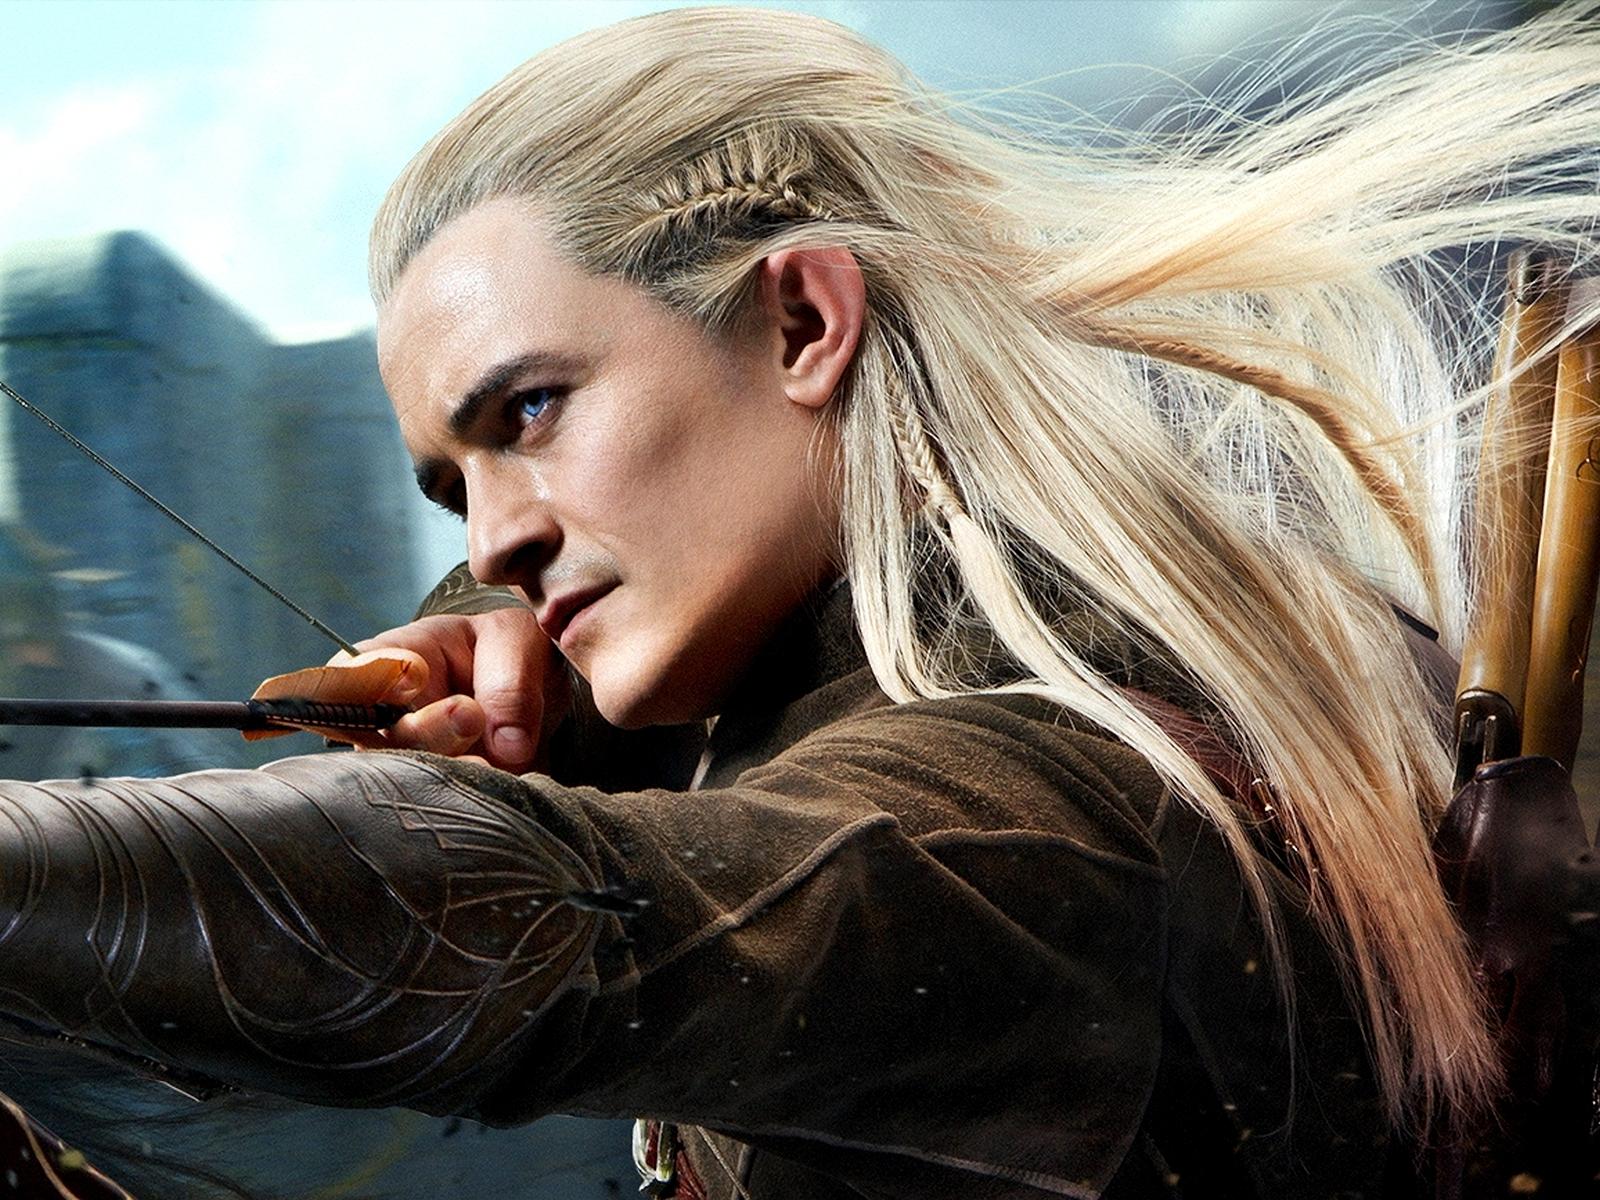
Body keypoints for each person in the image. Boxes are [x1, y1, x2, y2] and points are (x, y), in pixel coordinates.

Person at [0, 6, 1597, 1198]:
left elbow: (569, 928)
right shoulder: (965, 663)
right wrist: (534, 670)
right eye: (451, 490)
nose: (498, 537)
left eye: (530, 411)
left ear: (804, 324)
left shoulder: (1048, 806)